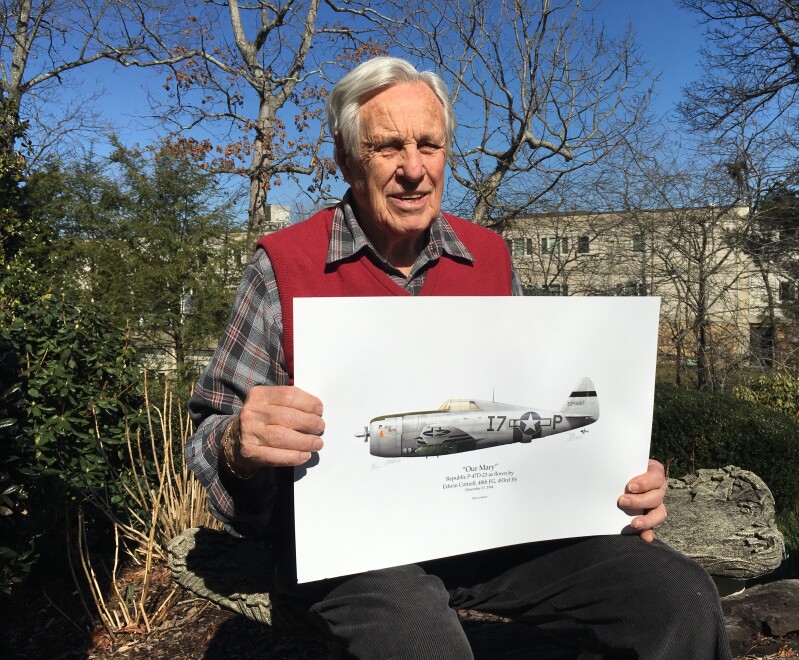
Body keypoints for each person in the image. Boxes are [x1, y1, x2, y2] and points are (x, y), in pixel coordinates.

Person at [186, 56, 732, 659]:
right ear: (346, 158)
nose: (414, 170)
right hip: (354, 549)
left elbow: (536, 407)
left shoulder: (491, 257)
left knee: (676, 596)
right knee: (424, 644)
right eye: (388, 146)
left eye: (430, 144)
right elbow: (208, 432)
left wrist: (617, 475)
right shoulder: (285, 264)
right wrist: (238, 441)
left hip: (494, 532)